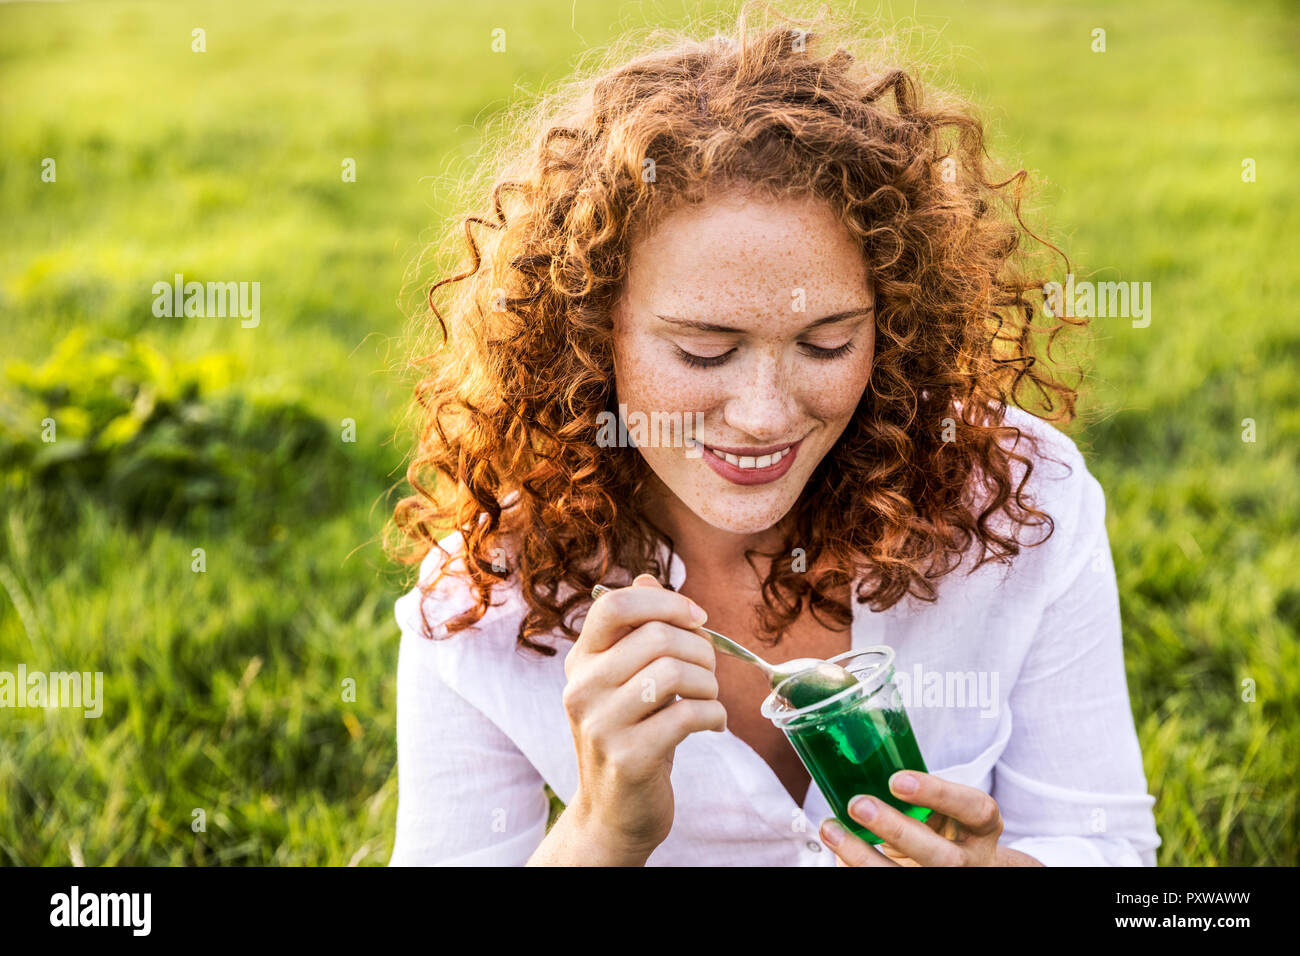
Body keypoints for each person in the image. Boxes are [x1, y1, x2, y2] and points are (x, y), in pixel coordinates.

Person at [386, 7, 1160, 867]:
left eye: (826, 344)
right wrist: (602, 831)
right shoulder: (487, 602)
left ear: (893, 326)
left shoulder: (1020, 505)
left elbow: (1115, 854)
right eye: (704, 350)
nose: (763, 414)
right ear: (590, 331)